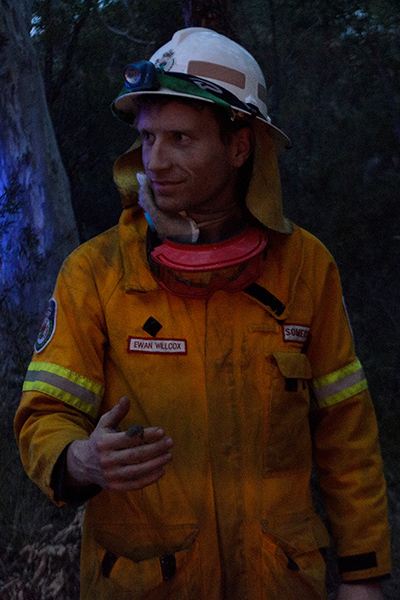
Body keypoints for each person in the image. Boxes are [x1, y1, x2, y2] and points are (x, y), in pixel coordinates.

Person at [15, 27, 391, 600]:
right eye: (147, 138)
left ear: (240, 147)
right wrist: (80, 458)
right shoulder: (95, 272)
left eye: (182, 139)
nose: (155, 161)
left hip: (280, 584)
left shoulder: (306, 268)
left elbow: (347, 435)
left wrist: (364, 575)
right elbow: (44, 414)